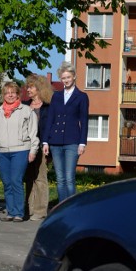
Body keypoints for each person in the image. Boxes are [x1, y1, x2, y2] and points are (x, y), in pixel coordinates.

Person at [0, 82, 39, 222]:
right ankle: (10, 212)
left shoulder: (26, 111)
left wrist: (33, 150)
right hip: (2, 151)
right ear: (3, 95)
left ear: (18, 94)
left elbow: (33, 132)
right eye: (7, 92)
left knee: (16, 180)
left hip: (21, 150)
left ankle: (19, 212)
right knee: (6, 182)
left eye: (13, 92)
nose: (10, 95)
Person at [41, 61, 89, 203]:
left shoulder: (82, 97)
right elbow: (50, 119)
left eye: (68, 77)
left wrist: (82, 143)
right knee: (60, 178)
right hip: (55, 141)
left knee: (69, 177)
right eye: (63, 78)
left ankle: (72, 207)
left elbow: (84, 121)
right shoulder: (56, 96)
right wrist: (45, 141)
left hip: (72, 141)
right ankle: (62, 206)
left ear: (74, 77)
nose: (66, 80)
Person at [22, 74, 53, 220]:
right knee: (28, 178)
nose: (28, 89)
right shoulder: (24, 106)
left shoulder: (48, 107)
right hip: (26, 147)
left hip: (42, 146)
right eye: (27, 86)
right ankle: (29, 208)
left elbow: (51, 128)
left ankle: (40, 211)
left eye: (31, 86)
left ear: (39, 88)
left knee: (40, 178)